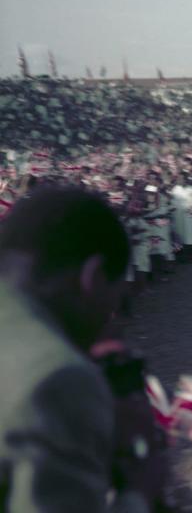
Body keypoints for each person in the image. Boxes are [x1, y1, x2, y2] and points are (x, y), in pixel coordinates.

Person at [0, 187, 167, 512]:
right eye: (113, 301)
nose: (108, 320)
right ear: (91, 277)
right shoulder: (59, 377)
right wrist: (139, 490)